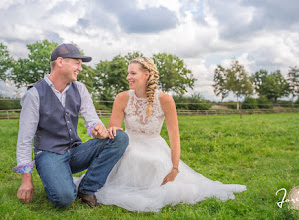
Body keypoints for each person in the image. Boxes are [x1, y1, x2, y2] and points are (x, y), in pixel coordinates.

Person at [76, 57, 246, 212]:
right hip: (128, 142)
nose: (128, 77)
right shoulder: (122, 98)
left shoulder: (165, 100)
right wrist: (109, 130)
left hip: (154, 145)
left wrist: (174, 168)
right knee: (130, 155)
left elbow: (174, 137)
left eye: (133, 73)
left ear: (146, 75)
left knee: (155, 162)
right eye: (128, 73)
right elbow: (114, 134)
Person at [14, 43, 129, 208]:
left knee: (119, 138)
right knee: (64, 199)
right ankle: (56, 177)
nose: (80, 68)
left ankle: (87, 188)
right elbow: (24, 139)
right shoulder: (34, 94)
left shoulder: (80, 89)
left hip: (74, 152)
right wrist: (26, 181)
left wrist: (98, 129)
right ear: (60, 62)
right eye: (77, 63)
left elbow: (92, 120)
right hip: (49, 155)